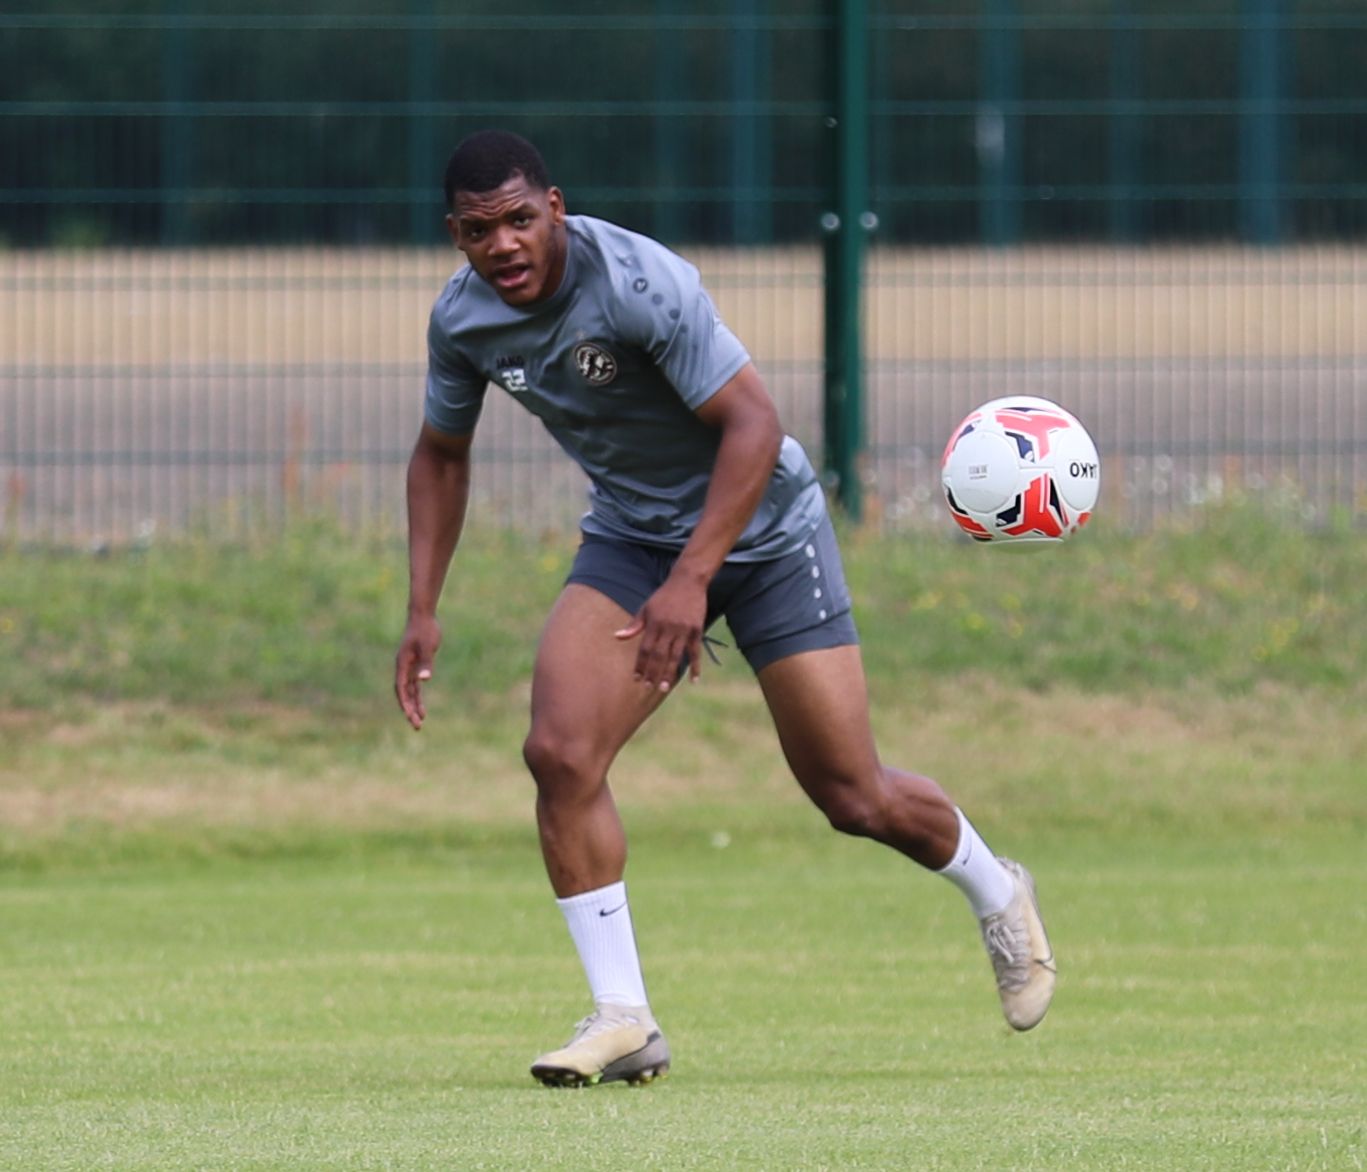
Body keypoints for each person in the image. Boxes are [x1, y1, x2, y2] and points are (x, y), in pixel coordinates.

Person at [394, 129, 1055, 1089]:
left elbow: (754, 425)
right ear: (455, 235)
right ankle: (623, 1017)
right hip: (633, 539)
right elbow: (440, 454)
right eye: (478, 230)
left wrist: (694, 579)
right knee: (560, 752)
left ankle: (998, 893)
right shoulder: (462, 323)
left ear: (555, 208)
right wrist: (422, 606)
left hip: (768, 534)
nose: (503, 245)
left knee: (851, 795)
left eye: (519, 220)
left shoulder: (637, 284)